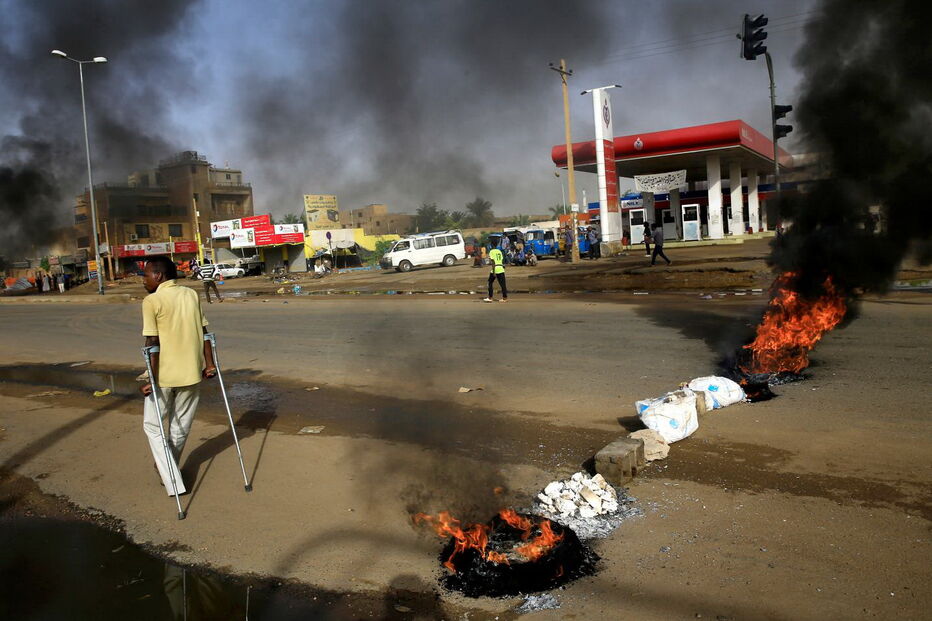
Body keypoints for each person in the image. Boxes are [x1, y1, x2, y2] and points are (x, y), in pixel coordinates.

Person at [139, 255, 216, 495]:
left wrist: (151, 379)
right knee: (180, 426)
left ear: (158, 275)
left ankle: (170, 477)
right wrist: (210, 364)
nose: (143, 280)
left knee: (153, 426)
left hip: (164, 375)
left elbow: (152, 342)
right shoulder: (191, 294)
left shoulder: (152, 300)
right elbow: (205, 332)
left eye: (145, 275)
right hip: (191, 372)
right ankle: (167, 467)